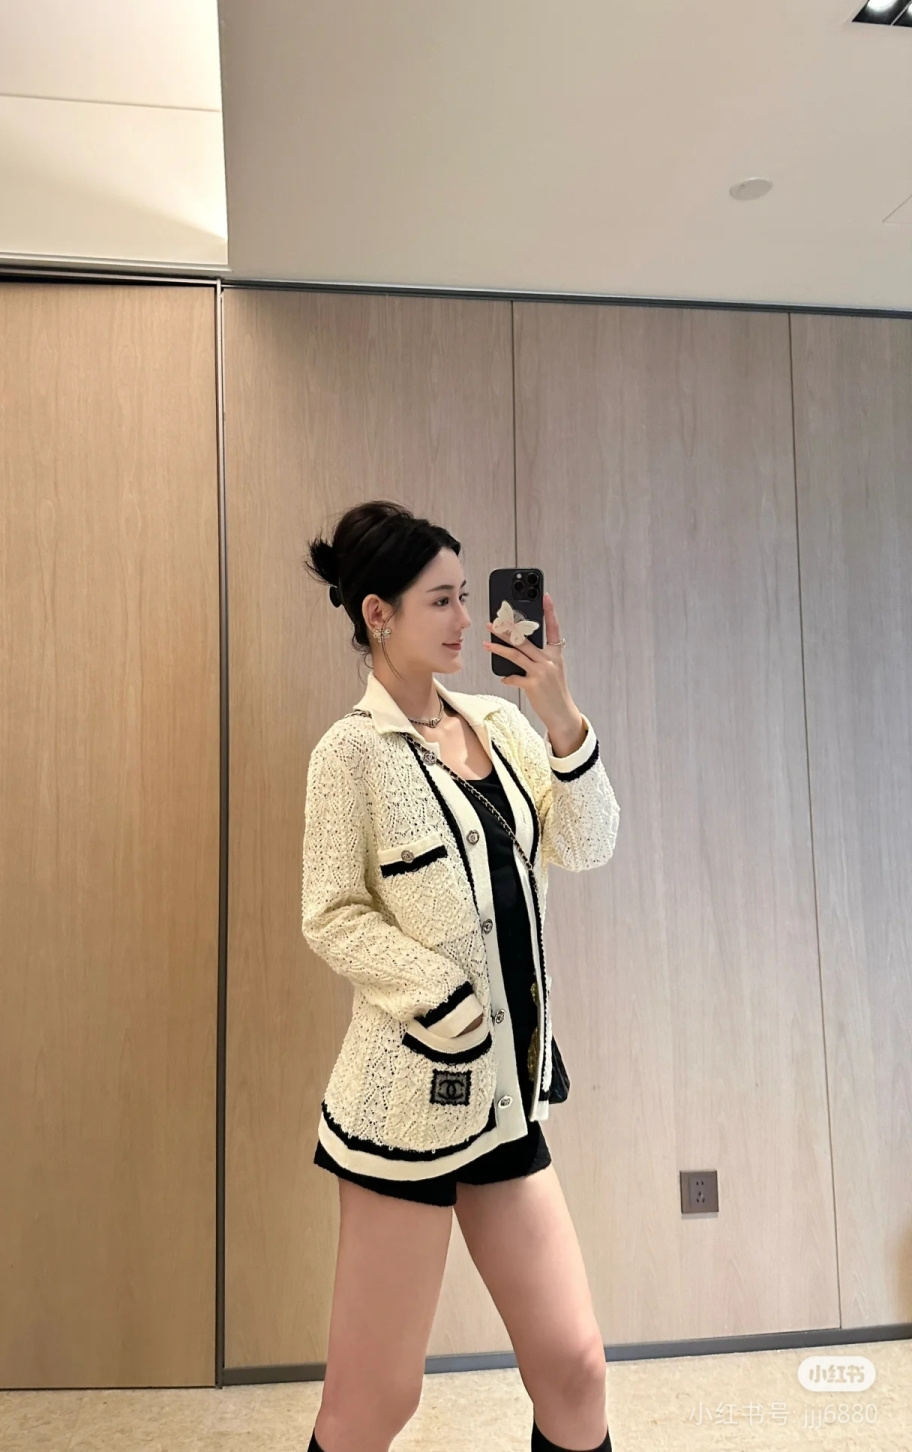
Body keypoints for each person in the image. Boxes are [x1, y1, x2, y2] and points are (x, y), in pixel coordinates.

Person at [301, 501, 620, 1452]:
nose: (464, 620)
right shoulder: (349, 755)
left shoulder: (502, 726)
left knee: (575, 1369)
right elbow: (332, 912)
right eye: (439, 600)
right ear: (378, 614)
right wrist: (447, 1005)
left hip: (507, 1101)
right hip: (407, 1110)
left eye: (465, 596)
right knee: (374, 1405)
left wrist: (559, 716)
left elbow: (589, 844)